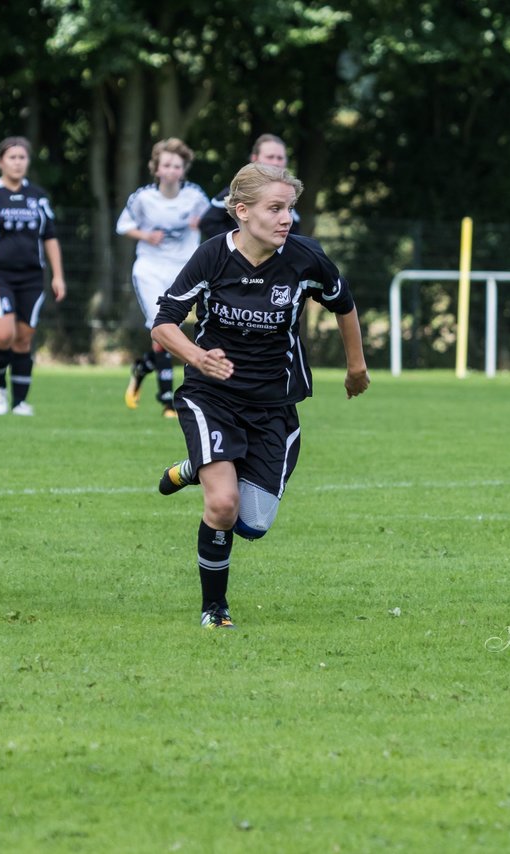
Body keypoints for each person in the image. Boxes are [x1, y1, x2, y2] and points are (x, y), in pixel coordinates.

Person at [151, 163, 370, 629]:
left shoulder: (305, 258)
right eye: (276, 208)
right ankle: (215, 610)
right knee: (223, 505)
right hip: (211, 396)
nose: (286, 218)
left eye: (289, 208)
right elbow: (164, 322)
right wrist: (198, 357)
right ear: (243, 212)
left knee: (251, 524)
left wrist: (356, 366)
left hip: (274, 405)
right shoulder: (212, 256)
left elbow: (343, 301)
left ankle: (193, 468)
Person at [0, 136, 66, 416]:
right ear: (1, 161)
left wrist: (58, 275)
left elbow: (50, 237)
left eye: (22, 157)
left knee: (24, 338)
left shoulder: (38, 196)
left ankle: (20, 402)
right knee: (3, 335)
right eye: (12, 157)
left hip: (32, 278)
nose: (17, 162)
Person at [116, 138, 210, 417]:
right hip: (150, 268)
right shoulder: (143, 197)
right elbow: (123, 225)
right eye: (166, 165)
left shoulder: (195, 196)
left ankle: (142, 368)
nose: (171, 170)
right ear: (156, 169)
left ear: (184, 170)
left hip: (186, 269)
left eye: (177, 166)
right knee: (164, 327)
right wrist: (146, 235)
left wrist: (202, 222)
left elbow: (217, 219)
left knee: (174, 333)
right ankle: (168, 400)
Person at [197, 133, 292, 242]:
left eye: (280, 158)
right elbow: (208, 223)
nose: (275, 163)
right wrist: (238, 244)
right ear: (254, 158)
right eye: (270, 157)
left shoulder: (289, 196)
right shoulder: (237, 191)